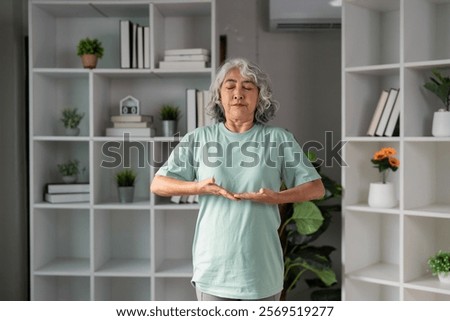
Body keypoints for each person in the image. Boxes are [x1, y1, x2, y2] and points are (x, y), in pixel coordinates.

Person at [151, 57, 325, 301]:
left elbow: (316, 188)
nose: (238, 93)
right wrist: (198, 187)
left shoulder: (278, 139)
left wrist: (278, 197)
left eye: (248, 87)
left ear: (260, 97)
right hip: (214, 272)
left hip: (262, 272)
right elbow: (158, 184)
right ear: (219, 96)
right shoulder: (199, 138)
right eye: (230, 86)